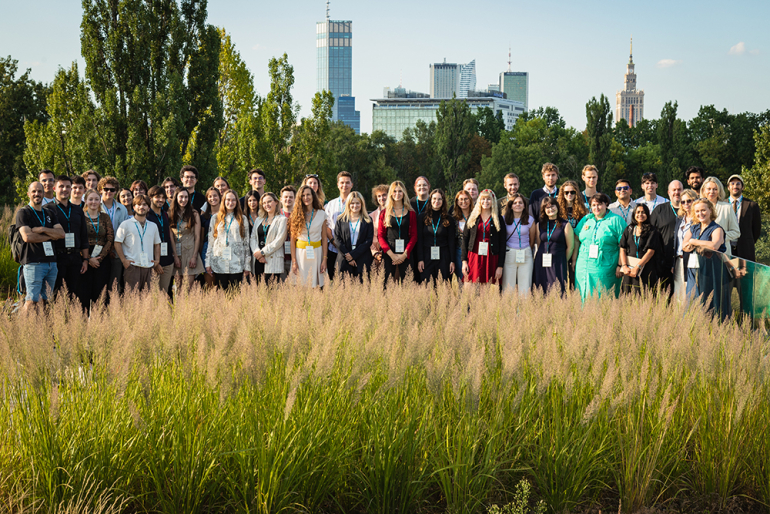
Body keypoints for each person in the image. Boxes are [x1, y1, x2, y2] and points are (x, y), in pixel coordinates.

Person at [16, 182, 65, 312]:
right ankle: (22, 329)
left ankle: (42, 330)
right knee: (31, 300)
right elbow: (28, 237)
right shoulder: (23, 213)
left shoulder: (50, 213)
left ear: (44, 194)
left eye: (39, 191)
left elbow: (61, 234)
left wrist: (42, 229)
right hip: (33, 263)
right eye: (34, 191)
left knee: (46, 301)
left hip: (51, 263)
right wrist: (50, 235)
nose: (37, 194)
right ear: (28, 194)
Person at [574, 193, 626, 300]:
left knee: (602, 295)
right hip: (583, 265)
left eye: (599, 204)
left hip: (605, 265)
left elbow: (624, 244)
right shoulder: (586, 219)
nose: (596, 208)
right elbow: (576, 237)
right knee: (582, 294)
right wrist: (574, 260)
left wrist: (620, 265)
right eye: (593, 205)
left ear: (606, 204)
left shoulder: (616, 220)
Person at [683, 198, 729, 318]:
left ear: (710, 210)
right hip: (694, 270)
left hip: (711, 271)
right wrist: (698, 243)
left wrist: (694, 241)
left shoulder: (717, 228)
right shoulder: (694, 228)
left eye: (703, 210)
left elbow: (714, 245)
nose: (700, 213)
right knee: (692, 301)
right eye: (697, 211)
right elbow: (684, 246)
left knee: (708, 302)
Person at [52, 175, 89, 308]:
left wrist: (85, 259)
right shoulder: (48, 209)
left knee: (74, 295)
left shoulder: (78, 210)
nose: (65, 189)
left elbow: (83, 236)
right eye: (61, 186)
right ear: (54, 188)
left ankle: (71, 326)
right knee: (56, 295)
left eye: (68, 186)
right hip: (57, 257)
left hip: (75, 258)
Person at [114, 195, 161, 292]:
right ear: (134, 207)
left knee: (148, 300)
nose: (141, 207)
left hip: (149, 266)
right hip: (132, 266)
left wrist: (157, 260)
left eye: (144, 205)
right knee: (132, 299)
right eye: (138, 204)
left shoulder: (153, 226)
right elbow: (117, 243)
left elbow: (157, 244)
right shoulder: (125, 224)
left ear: (148, 208)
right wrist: (124, 260)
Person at [205, 189, 250, 290]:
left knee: (234, 294)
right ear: (223, 201)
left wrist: (247, 265)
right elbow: (211, 241)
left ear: (237, 202)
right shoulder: (215, 218)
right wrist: (207, 262)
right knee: (221, 293)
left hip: (237, 263)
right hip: (219, 262)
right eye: (228, 199)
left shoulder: (243, 219)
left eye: (233, 200)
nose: (230, 202)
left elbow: (246, 243)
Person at [462, 189, 506, 284]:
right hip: (474, 255)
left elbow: (502, 242)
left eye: (488, 199)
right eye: (483, 199)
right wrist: (464, 261)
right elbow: (465, 238)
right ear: (479, 200)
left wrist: (500, 266)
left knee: (484, 289)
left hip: (490, 256)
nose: (485, 202)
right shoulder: (473, 216)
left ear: (493, 201)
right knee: (469, 285)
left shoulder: (498, 218)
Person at [377, 181, 417, 284]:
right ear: (390, 193)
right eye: (394, 191)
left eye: (400, 191)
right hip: (389, 253)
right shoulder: (384, 213)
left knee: (408, 285)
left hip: (406, 252)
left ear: (404, 193)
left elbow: (414, 235)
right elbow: (380, 236)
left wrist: (404, 255)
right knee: (387, 285)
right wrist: (392, 255)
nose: (397, 194)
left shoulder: (411, 212)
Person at [649, 180, 684, 297]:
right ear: (669, 192)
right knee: (663, 295)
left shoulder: (690, 210)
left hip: (682, 261)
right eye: (674, 190)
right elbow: (650, 233)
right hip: (662, 261)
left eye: (679, 189)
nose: (677, 192)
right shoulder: (659, 210)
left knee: (682, 295)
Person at [619, 204, 663, 294]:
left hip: (645, 269)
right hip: (629, 269)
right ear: (634, 214)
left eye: (643, 212)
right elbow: (622, 248)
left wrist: (638, 267)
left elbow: (650, 251)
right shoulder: (629, 229)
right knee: (627, 297)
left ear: (647, 214)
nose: (640, 214)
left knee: (644, 297)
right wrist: (624, 266)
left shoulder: (652, 230)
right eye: (638, 212)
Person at [532, 196, 572, 294]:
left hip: (558, 262)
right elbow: (539, 243)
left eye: (552, 206)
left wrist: (563, 260)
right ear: (544, 210)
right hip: (541, 261)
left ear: (557, 207)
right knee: (541, 289)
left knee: (558, 290)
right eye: (547, 207)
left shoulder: (565, 224)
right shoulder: (539, 225)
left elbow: (570, 247)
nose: (550, 209)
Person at [290, 185, 328, 288]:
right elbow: (292, 240)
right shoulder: (295, 215)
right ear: (300, 198)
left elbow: (324, 239)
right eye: (303, 195)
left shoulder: (321, 214)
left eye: (308, 194)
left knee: (317, 287)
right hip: (300, 254)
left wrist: (324, 259)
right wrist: (294, 262)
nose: (306, 197)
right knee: (300, 286)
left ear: (313, 196)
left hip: (317, 252)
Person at [82, 189, 114, 308]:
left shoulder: (105, 217)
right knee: (85, 291)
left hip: (102, 258)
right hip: (84, 258)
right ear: (85, 201)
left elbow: (110, 238)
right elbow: (78, 239)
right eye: (90, 199)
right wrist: (88, 258)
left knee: (101, 292)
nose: (93, 202)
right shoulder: (81, 217)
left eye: (96, 199)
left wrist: (99, 258)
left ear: (100, 201)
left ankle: (100, 322)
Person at [416, 189, 456, 284]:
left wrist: (452, 260)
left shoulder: (449, 219)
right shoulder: (422, 217)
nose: (436, 201)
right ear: (430, 200)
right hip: (427, 256)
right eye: (434, 199)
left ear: (443, 201)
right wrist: (420, 259)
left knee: (444, 286)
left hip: (444, 256)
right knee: (427, 285)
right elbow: (419, 240)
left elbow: (451, 241)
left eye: (439, 199)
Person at [169, 187, 204, 291]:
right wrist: (175, 256)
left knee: (188, 289)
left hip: (190, 253)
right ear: (176, 198)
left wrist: (194, 256)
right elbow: (171, 236)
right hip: (177, 254)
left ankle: (188, 307)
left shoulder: (194, 214)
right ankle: (179, 308)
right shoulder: (170, 213)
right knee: (178, 289)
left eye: (186, 197)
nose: (183, 200)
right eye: (181, 197)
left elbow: (197, 237)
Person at [334, 191, 374, 281]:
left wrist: (353, 255)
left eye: (357, 203)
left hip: (362, 260)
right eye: (352, 203)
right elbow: (337, 240)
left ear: (362, 204)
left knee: (362, 291)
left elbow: (368, 240)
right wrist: (348, 256)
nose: (355, 206)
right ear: (348, 204)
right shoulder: (340, 219)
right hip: (344, 260)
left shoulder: (368, 220)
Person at [250, 192, 288, 284]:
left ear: (276, 202)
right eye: (264, 203)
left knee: (272, 291)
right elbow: (253, 238)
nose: (267, 205)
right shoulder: (259, 219)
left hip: (272, 258)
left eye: (269, 201)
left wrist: (263, 252)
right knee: (259, 290)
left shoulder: (282, 219)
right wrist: (257, 253)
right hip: (258, 260)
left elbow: (279, 240)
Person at [99, 176, 129, 292]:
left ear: (116, 191)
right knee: (101, 283)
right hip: (100, 250)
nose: (109, 192)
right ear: (100, 190)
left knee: (114, 284)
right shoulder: (95, 206)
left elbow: (125, 232)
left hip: (117, 251)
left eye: (112, 190)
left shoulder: (122, 209)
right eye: (106, 189)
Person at [146, 185, 177, 296]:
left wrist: (175, 256)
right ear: (150, 198)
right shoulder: (146, 216)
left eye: (163, 197)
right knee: (153, 294)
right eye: (157, 197)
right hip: (153, 262)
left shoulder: (165, 214)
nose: (161, 200)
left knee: (164, 293)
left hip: (168, 261)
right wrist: (155, 262)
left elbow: (170, 236)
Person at [501, 193, 534, 295]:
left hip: (525, 253)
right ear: (510, 205)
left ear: (524, 205)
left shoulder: (530, 219)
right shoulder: (504, 219)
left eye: (520, 202)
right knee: (508, 286)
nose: (518, 204)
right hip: (509, 253)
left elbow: (532, 239)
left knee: (525, 286)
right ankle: (508, 309)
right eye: (515, 203)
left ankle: (523, 310)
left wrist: (527, 249)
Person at [325, 171, 353, 280]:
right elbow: (327, 226)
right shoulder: (330, 204)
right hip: (333, 249)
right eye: (342, 182)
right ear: (337, 184)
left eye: (347, 183)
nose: (344, 185)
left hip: (351, 250)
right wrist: (333, 241)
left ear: (351, 185)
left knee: (350, 280)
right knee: (333, 280)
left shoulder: (356, 203)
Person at [701, 176, 740, 255]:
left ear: (719, 191)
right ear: (704, 190)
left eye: (715, 189)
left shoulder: (727, 207)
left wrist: (720, 237)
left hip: (722, 253)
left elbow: (736, 232)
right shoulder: (697, 207)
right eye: (709, 189)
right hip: (702, 252)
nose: (711, 192)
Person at [727, 174, 760, 261]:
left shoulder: (752, 205)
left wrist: (748, 241)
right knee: (727, 274)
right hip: (726, 248)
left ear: (742, 187)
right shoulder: (722, 204)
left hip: (746, 249)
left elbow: (756, 229)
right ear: (728, 187)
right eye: (732, 183)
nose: (735, 186)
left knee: (746, 274)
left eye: (738, 183)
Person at [673, 189, 698, 302]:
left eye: (689, 201)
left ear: (695, 201)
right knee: (679, 293)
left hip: (693, 260)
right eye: (683, 202)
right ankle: (679, 318)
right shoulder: (679, 219)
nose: (686, 204)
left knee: (691, 293)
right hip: (678, 260)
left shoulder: (699, 220)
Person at [200, 187, 221, 289]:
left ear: (220, 197)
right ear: (207, 199)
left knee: (222, 281)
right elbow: (201, 236)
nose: (213, 198)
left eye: (215, 195)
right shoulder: (203, 217)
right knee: (210, 284)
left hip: (222, 249)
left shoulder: (226, 215)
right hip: (207, 248)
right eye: (210, 196)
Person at [452, 190, 473, 282]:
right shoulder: (453, 218)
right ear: (457, 202)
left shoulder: (476, 216)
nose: (463, 202)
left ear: (470, 200)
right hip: (458, 252)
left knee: (473, 278)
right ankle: (462, 296)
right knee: (461, 278)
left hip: (473, 251)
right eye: (461, 199)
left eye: (466, 199)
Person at [369, 184, 389, 271]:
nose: (382, 198)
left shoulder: (397, 215)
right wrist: (375, 253)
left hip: (392, 254)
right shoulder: (370, 216)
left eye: (384, 195)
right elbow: (368, 237)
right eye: (379, 196)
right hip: (375, 256)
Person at [280, 185, 297, 278]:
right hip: (280, 258)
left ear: (295, 199)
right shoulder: (276, 215)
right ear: (281, 199)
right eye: (285, 197)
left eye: (291, 197)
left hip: (295, 259)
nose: (288, 199)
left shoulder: (299, 215)